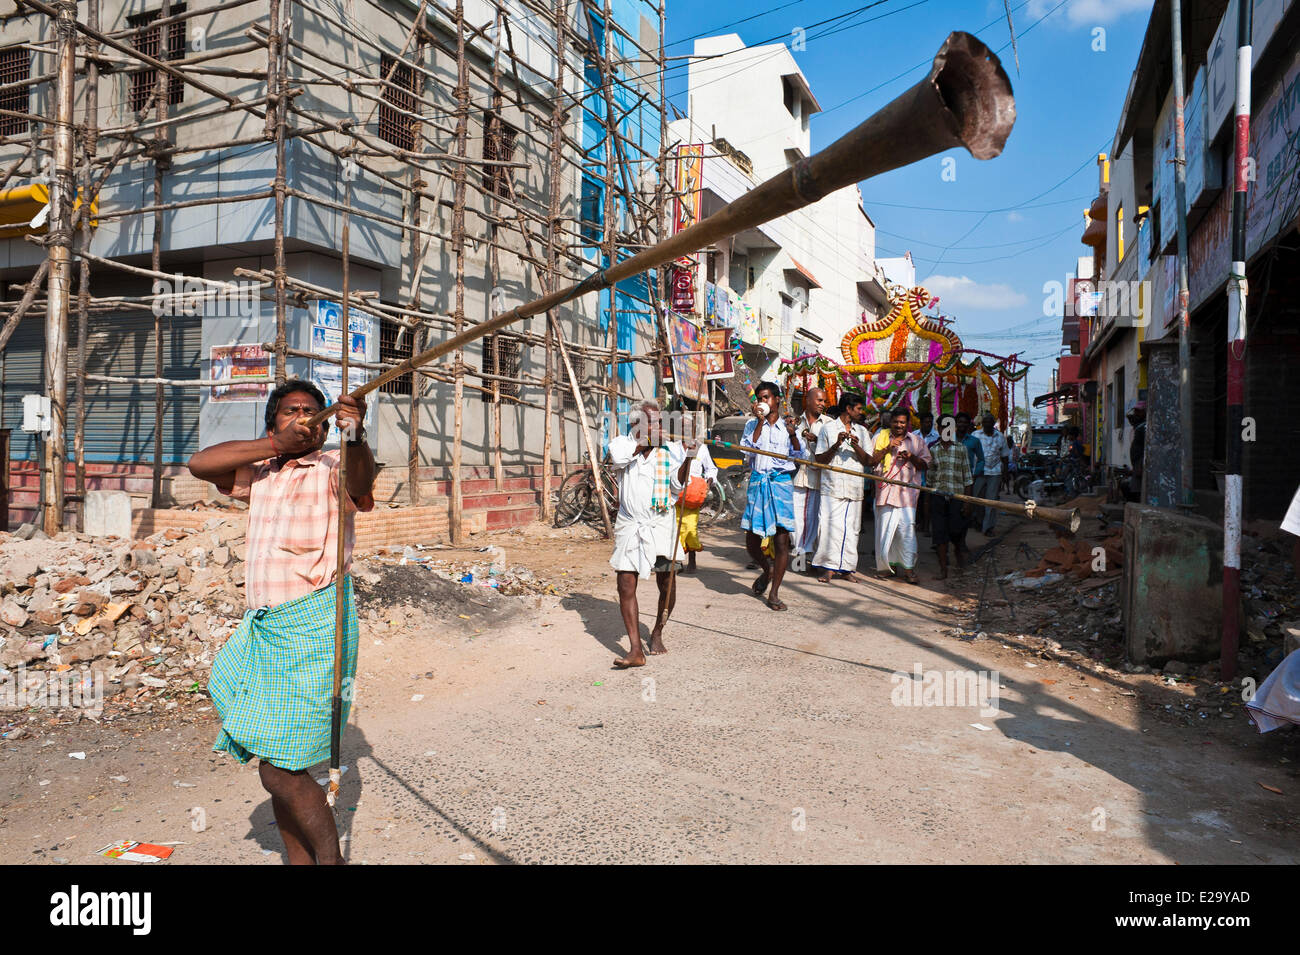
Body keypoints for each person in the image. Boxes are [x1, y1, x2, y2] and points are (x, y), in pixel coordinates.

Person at [188, 379, 376, 865]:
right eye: (291, 410)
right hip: (265, 627)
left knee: (279, 770)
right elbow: (199, 463)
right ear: (274, 422)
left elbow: (361, 483)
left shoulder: (333, 466)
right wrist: (276, 447)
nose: (303, 416)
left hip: (315, 626)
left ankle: (329, 862)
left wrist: (354, 434)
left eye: (313, 410)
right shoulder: (262, 472)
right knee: (274, 759)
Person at [607, 401, 691, 668]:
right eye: (652, 422)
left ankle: (657, 631)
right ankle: (635, 650)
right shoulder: (621, 444)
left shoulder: (670, 451)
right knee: (625, 584)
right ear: (637, 424)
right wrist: (647, 441)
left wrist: (689, 456)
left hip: (662, 522)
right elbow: (619, 459)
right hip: (631, 525)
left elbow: (678, 485)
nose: (659, 427)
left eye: (660, 422)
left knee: (667, 584)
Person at [741, 381, 805, 611]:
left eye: (766, 397)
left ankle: (775, 593)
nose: (762, 402)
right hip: (758, 482)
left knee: (781, 540)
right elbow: (747, 449)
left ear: (777, 399)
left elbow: (799, 455)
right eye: (759, 398)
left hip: (780, 484)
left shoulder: (788, 426)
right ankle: (766, 569)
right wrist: (759, 421)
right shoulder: (751, 424)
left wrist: (793, 435)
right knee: (751, 538)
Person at [811, 393, 871, 584]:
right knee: (830, 526)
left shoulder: (862, 432)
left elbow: (868, 460)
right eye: (859, 408)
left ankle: (846, 568)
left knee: (852, 529)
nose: (861, 412)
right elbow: (819, 459)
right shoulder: (828, 429)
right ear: (848, 409)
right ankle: (828, 567)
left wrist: (855, 446)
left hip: (854, 487)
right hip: (832, 486)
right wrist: (836, 444)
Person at [869, 408, 930, 583]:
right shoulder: (879, 438)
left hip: (907, 495)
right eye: (896, 421)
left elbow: (926, 465)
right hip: (885, 493)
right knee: (885, 531)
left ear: (907, 424)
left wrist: (911, 457)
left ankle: (909, 569)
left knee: (906, 531)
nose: (898, 425)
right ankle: (888, 567)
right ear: (891, 422)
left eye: (902, 422)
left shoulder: (916, 441)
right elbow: (870, 461)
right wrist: (888, 448)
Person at [928, 415, 974, 580]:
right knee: (940, 534)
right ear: (939, 429)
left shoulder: (961, 449)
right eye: (943, 427)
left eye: (950, 427)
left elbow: (968, 477)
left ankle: (957, 554)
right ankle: (943, 569)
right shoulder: (933, 450)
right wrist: (929, 501)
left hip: (957, 496)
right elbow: (931, 478)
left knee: (956, 530)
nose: (946, 430)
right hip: (939, 496)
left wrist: (967, 502)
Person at [791, 387, 831, 563]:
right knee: (795, 519)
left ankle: (804, 554)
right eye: (819, 400)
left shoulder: (829, 424)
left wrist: (816, 442)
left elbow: (831, 452)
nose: (823, 404)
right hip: (796, 476)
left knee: (812, 520)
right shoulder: (795, 423)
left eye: (824, 401)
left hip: (817, 478)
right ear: (808, 400)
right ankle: (800, 552)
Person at [677, 439, 718, 575]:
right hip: (675, 493)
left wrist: (708, 482)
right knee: (676, 529)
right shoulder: (673, 446)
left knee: (690, 528)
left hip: (693, 494)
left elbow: (711, 469)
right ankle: (677, 561)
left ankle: (692, 559)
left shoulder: (701, 447)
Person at [974, 413, 1008, 536]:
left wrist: (1005, 474)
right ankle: (978, 522)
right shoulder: (976, 435)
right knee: (975, 498)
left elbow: (1005, 457)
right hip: (979, 472)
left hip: (995, 472)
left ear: (993, 423)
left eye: (990, 422)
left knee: (992, 501)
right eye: (985, 422)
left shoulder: (1000, 437)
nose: (987, 424)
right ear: (982, 423)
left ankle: (988, 527)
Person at [1127, 402, 1146, 499]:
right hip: (1137, 464)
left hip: (1140, 464)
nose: (1136, 414)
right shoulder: (1139, 427)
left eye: (1139, 411)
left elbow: (1146, 448)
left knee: (1137, 491)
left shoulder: (1144, 427)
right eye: (1135, 411)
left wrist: (1141, 466)